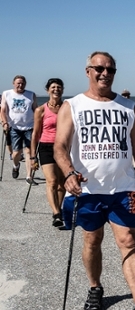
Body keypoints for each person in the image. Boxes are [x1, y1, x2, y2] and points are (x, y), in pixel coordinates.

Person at [54, 51, 135, 310]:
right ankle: (95, 286)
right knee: (93, 240)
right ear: (88, 71)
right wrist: (68, 173)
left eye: (110, 70)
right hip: (88, 191)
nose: (105, 74)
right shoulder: (73, 105)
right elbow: (60, 146)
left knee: (128, 240)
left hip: (124, 189)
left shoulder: (128, 107)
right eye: (99, 68)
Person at [30, 78, 67, 229]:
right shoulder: (41, 110)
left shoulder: (67, 108)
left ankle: (58, 208)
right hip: (46, 147)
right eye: (53, 87)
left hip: (64, 147)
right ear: (48, 90)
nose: (56, 89)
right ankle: (57, 214)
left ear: (62, 90)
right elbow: (35, 134)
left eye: (59, 87)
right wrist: (33, 157)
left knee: (62, 183)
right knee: (51, 180)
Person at [1, 75, 38, 184]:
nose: (20, 85)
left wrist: (39, 122)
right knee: (16, 153)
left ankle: (29, 176)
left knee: (29, 151)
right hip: (14, 127)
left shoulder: (31, 95)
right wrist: (4, 122)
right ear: (14, 83)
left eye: (22, 83)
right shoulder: (7, 94)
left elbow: (35, 109)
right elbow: (3, 110)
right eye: (18, 83)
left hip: (29, 126)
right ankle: (16, 165)